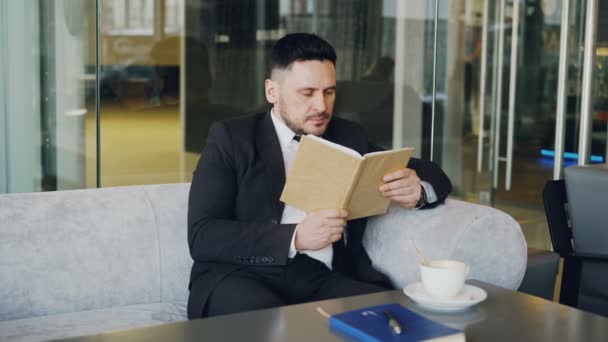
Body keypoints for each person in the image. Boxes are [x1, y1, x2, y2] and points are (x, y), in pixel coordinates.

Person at [187, 33, 452, 319]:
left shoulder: (348, 136)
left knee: (393, 319)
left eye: (329, 92)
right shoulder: (231, 138)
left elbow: (431, 172)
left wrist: (419, 188)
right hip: (243, 275)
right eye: (307, 92)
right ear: (272, 92)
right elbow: (202, 234)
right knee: (270, 325)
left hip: (322, 277)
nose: (322, 106)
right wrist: (296, 237)